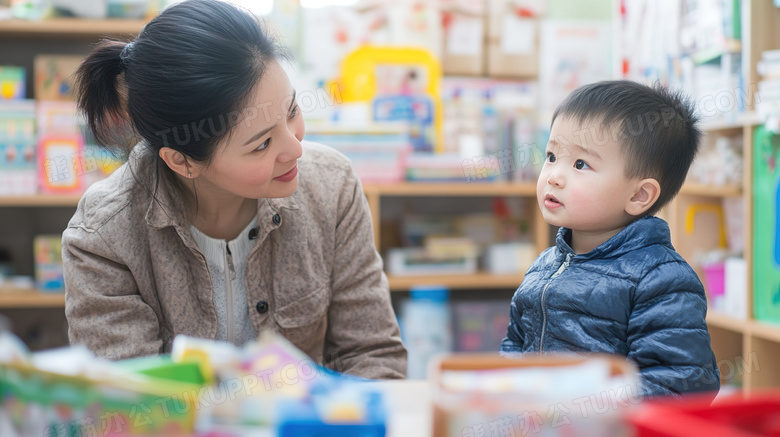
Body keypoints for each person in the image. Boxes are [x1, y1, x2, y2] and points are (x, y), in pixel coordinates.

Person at [63, 0, 406, 379]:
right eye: (261, 144)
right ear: (183, 161)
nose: (295, 149)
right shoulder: (103, 237)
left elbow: (374, 356)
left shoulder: (331, 185)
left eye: (292, 111)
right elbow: (133, 401)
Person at [500, 80, 720, 399]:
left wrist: (587, 407)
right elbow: (515, 347)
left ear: (639, 195)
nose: (553, 176)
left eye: (580, 164)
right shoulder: (544, 266)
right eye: (551, 156)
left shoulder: (660, 280)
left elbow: (681, 383)